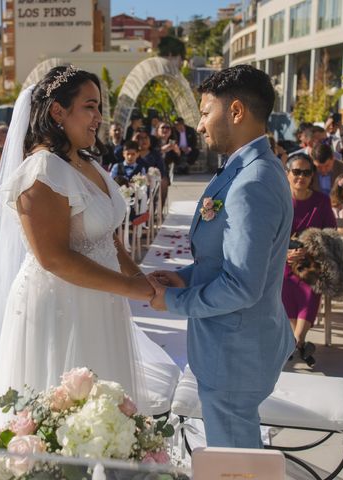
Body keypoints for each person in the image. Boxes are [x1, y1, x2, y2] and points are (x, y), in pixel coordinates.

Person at [0, 66, 175, 436]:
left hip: (102, 303)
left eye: (99, 107)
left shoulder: (89, 164)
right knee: (61, 417)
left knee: (102, 413)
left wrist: (140, 280)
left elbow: (109, 240)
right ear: (57, 111)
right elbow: (53, 258)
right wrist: (133, 289)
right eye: (90, 106)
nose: (99, 117)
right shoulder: (41, 171)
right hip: (60, 309)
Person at [146, 65, 294, 448]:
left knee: (236, 463)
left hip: (235, 355)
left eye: (206, 111)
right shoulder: (249, 167)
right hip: (240, 346)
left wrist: (174, 300)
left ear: (237, 111)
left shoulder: (253, 181)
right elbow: (227, 259)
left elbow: (242, 286)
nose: (199, 124)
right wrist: (187, 276)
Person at [283, 154, 337, 367]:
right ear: (287, 174)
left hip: (312, 260)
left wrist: (307, 250)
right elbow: (268, 235)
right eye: (296, 171)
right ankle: (300, 343)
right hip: (282, 260)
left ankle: (294, 342)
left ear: (312, 176)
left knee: (311, 283)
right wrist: (286, 253)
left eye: (306, 172)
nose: (301, 177)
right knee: (283, 282)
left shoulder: (321, 201)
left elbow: (331, 233)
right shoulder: (280, 200)